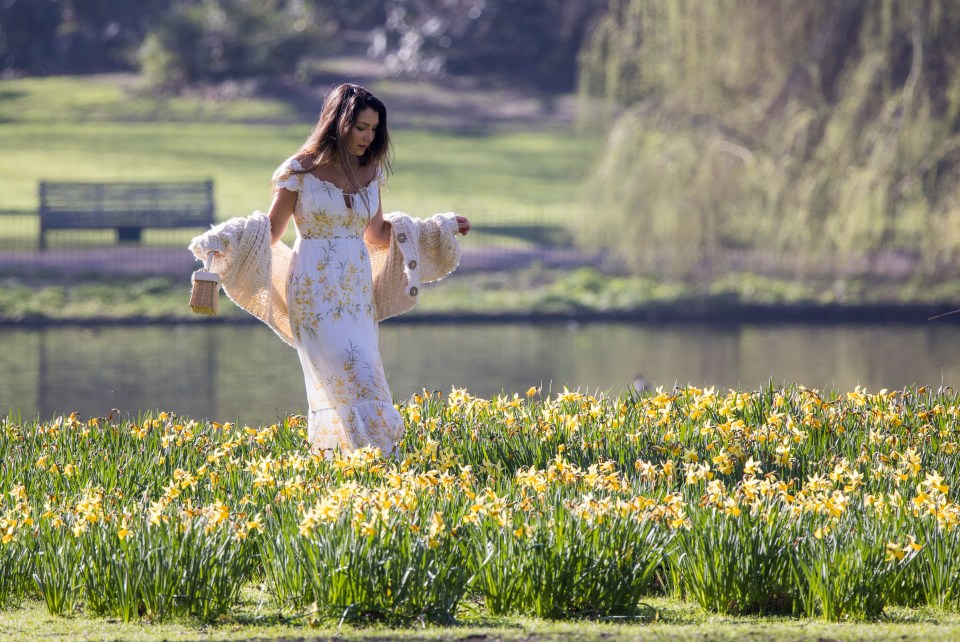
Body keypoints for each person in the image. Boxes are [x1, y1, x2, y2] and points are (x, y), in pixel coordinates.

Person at [266, 83, 470, 458]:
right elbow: (271, 232)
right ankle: (367, 455)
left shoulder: (370, 173)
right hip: (313, 287)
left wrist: (438, 227)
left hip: (357, 292)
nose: (368, 136)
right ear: (338, 122)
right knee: (347, 370)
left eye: (374, 129)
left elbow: (376, 234)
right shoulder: (298, 171)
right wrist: (231, 239)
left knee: (366, 370)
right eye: (361, 127)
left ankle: (369, 462)